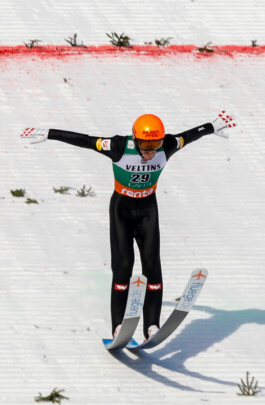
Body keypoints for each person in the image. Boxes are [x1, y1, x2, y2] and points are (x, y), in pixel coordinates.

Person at [20, 112, 236, 342]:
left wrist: (211, 126)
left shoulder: (168, 145)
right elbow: (85, 140)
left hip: (147, 210)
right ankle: (118, 326)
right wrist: (51, 134)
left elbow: (189, 135)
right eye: (145, 144)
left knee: (153, 268)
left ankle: (152, 325)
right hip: (121, 210)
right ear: (135, 139)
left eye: (156, 144)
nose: (151, 150)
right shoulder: (119, 146)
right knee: (123, 269)